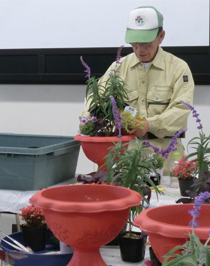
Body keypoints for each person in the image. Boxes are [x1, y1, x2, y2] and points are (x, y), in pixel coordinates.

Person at [80, 6, 194, 175]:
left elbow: (181, 110)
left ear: (161, 36)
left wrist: (149, 125)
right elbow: (95, 98)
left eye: (146, 43)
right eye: (135, 43)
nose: (140, 50)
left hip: (166, 157)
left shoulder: (178, 69)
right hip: (125, 157)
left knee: (166, 198)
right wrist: (87, 119)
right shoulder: (118, 68)